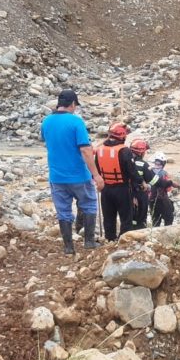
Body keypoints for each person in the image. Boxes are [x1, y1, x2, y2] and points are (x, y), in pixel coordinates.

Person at [40, 89, 103, 254]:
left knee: (63, 211)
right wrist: (96, 175)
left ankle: (68, 247)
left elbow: (50, 142)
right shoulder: (76, 122)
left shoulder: (46, 122)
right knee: (89, 205)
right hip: (78, 175)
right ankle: (89, 241)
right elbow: (85, 150)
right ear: (73, 104)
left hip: (56, 176)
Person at [95, 122, 135, 241]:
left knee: (108, 217)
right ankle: (124, 239)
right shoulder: (124, 151)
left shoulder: (100, 150)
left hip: (105, 189)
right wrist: (139, 184)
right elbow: (132, 171)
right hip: (121, 188)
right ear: (122, 136)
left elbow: (97, 169)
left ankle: (110, 239)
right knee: (126, 217)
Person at [150, 152, 175, 227]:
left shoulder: (149, 171)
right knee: (169, 218)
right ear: (163, 164)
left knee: (155, 220)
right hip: (162, 199)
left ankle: (154, 235)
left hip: (151, 200)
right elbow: (168, 189)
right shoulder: (164, 173)